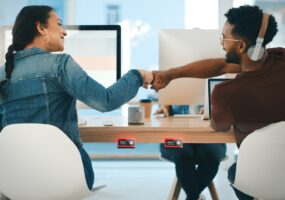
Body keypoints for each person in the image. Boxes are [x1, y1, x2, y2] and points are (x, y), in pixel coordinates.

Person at [0, 5, 153, 191]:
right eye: (59, 23)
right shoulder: (60, 64)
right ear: (41, 28)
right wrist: (137, 75)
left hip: (16, 182)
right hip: (65, 178)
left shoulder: (3, 74)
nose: (64, 32)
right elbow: (105, 100)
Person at [152, 5, 283, 200]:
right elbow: (223, 65)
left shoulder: (226, 93)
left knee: (237, 173)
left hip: (261, 173)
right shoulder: (280, 57)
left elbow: (218, 126)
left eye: (224, 38)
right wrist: (172, 74)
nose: (221, 43)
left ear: (241, 46)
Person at [155, 105, 226, 200]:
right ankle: (194, 197)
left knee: (211, 155)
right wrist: (164, 109)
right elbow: (166, 105)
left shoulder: (214, 90)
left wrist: (212, 109)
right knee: (183, 154)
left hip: (208, 136)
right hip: (175, 136)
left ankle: (192, 197)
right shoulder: (170, 89)